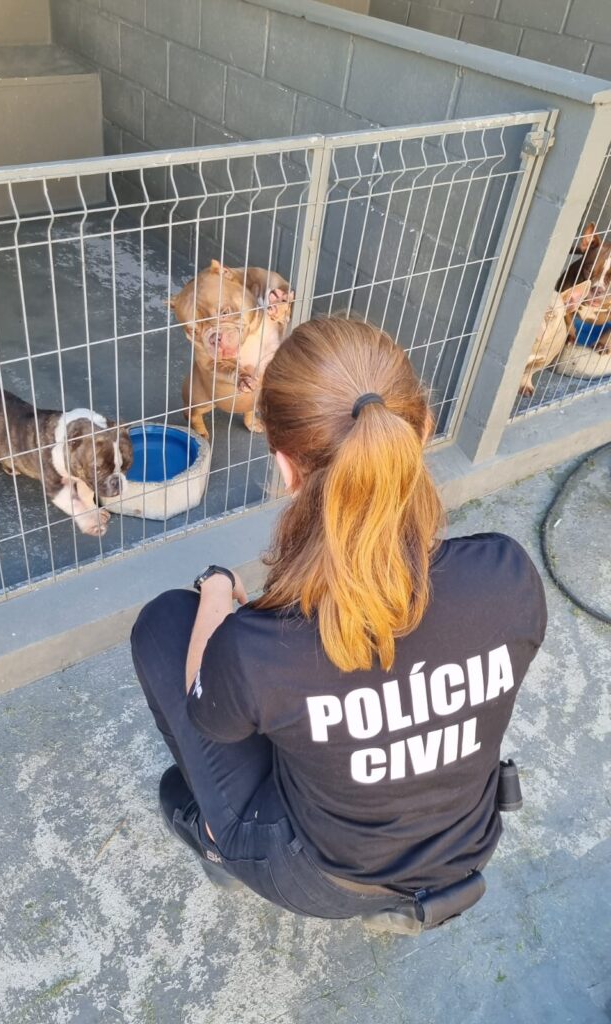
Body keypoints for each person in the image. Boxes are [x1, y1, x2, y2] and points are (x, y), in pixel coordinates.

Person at [130, 317, 546, 931]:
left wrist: (218, 588)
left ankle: (223, 841)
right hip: (468, 844)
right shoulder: (506, 574)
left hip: (325, 879)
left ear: (285, 466)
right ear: (423, 430)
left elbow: (207, 714)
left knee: (166, 626)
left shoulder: (258, 646)